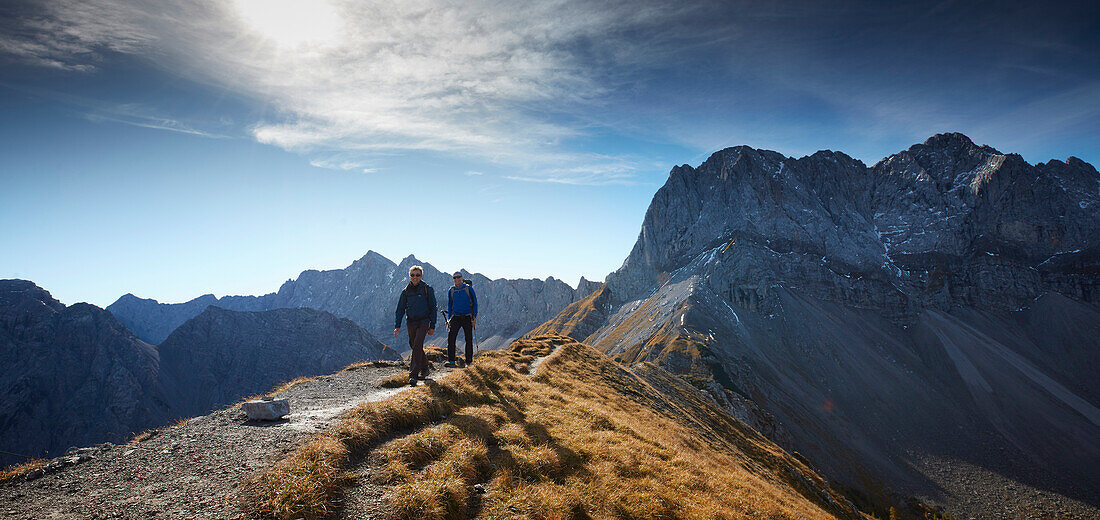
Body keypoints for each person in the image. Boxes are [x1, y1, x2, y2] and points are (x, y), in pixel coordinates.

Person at [394, 265, 436, 386]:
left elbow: (433, 308)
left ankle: (413, 375)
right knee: (413, 345)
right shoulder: (405, 291)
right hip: (411, 322)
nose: (415, 277)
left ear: (421, 275)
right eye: (412, 275)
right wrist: (397, 326)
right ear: (409, 276)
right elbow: (400, 309)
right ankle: (425, 368)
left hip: (424, 321)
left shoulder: (428, 289)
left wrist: (432, 325)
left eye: (417, 275)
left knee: (417, 345)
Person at [445, 272, 478, 367]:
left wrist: (474, 316)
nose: (457, 279)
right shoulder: (451, 290)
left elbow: (475, 303)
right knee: (451, 338)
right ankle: (451, 361)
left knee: (468, 339)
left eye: (458, 277)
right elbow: (450, 305)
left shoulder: (469, 289)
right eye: (454, 278)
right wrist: (448, 319)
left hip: (467, 316)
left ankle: (469, 361)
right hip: (455, 317)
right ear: (453, 279)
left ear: (462, 278)